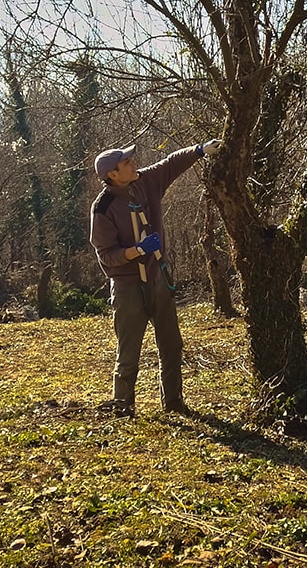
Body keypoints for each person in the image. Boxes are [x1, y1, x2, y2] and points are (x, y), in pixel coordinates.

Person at [89, 139, 221, 417]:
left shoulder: (144, 182)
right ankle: (123, 407)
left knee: (171, 344)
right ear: (113, 174)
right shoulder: (103, 209)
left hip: (157, 278)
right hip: (128, 287)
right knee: (129, 353)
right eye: (126, 162)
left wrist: (198, 150)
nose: (133, 163)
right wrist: (136, 251)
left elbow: (171, 163)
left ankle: (173, 404)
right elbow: (107, 255)